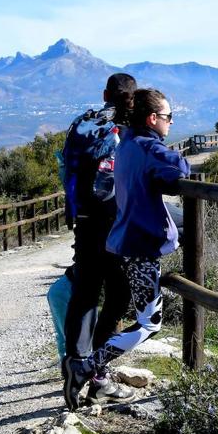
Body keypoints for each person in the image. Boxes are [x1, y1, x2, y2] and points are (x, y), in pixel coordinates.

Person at [63, 88, 189, 410]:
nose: (170, 123)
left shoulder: (128, 143)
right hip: (140, 248)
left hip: (128, 242)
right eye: (167, 117)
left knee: (137, 312)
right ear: (152, 118)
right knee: (150, 323)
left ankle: (92, 368)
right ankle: (88, 366)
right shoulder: (147, 147)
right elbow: (181, 168)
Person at [59, 73, 137, 406]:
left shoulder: (84, 123)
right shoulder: (128, 130)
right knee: (119, 295)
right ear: (132, 98)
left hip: (86, 222)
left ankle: (78, 365)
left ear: (105, 93)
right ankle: (96, 369)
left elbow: (66, 167)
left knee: (86, 294)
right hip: (116, 224)